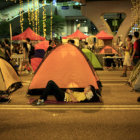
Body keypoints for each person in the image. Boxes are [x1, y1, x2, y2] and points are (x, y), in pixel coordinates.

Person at [33, 80, 101, 105]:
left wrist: (70, 93)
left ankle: (42, 99)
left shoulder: (84, 96)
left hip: (64, 97)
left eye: (87, 87)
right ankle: (42, 98)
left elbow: (75, 101)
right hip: (65, 95)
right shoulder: (83, 93)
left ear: (89, 90)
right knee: (50, 87)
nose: (84, 87)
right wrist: (70, 91)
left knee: (51, 83)